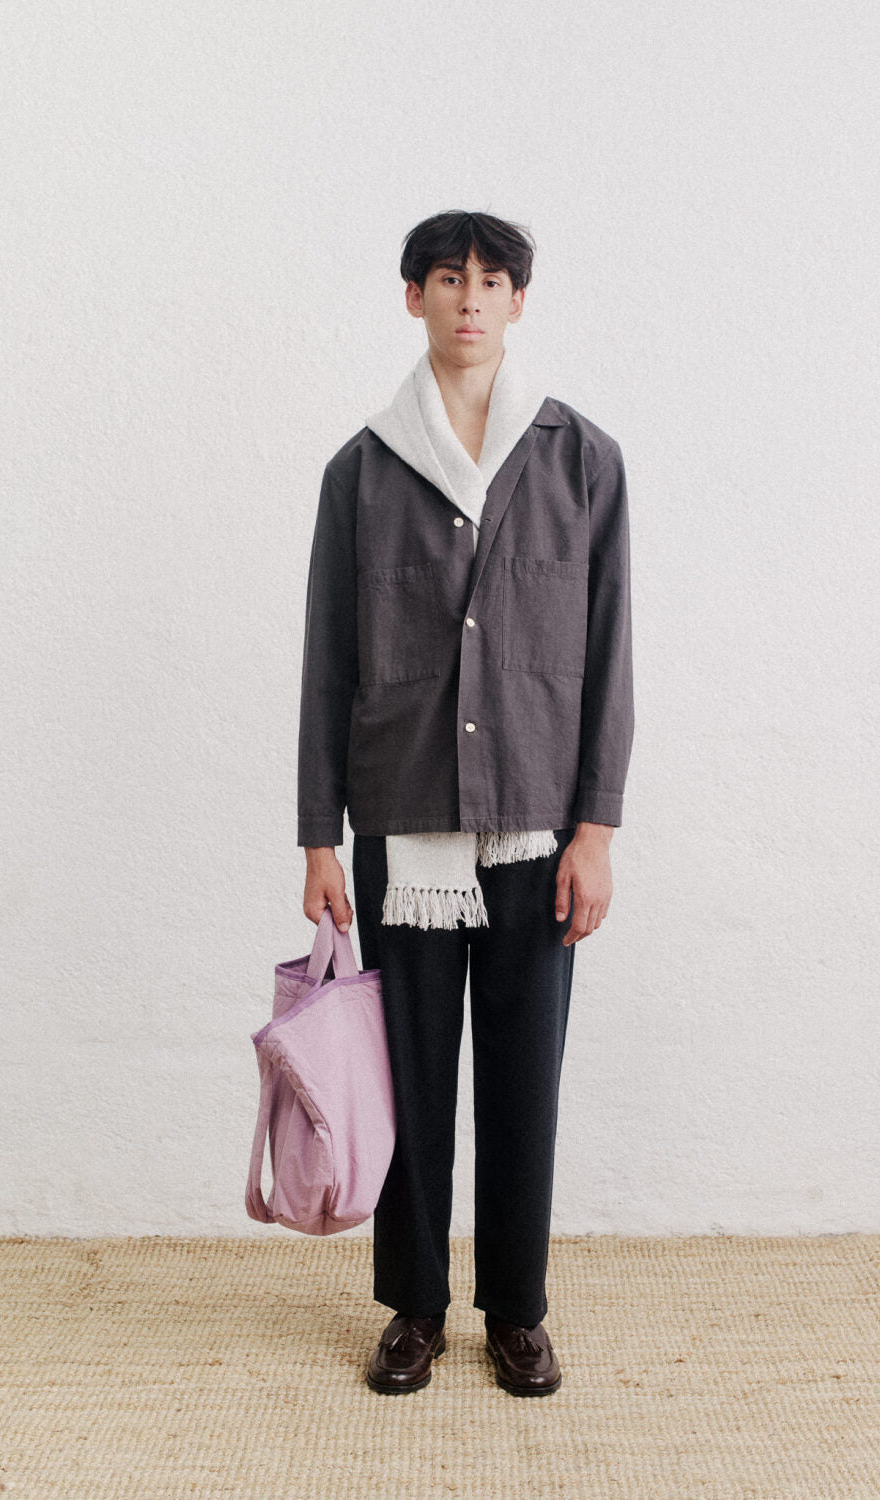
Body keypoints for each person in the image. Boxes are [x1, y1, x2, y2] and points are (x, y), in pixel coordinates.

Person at [296, 209, 634, 1395]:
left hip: (538, 825)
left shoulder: (582, 461)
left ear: (518, 303)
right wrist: (318, 836)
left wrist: (596, 830)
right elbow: (327, 664)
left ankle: (517, 1313)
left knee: (523, 1082)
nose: (471, 299)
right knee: (410, 1078)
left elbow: (608, 656)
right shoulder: (360, 472)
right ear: (414, 297)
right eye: (449, 278)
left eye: (492, 281)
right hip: (401, 826)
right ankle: (415, 1308)